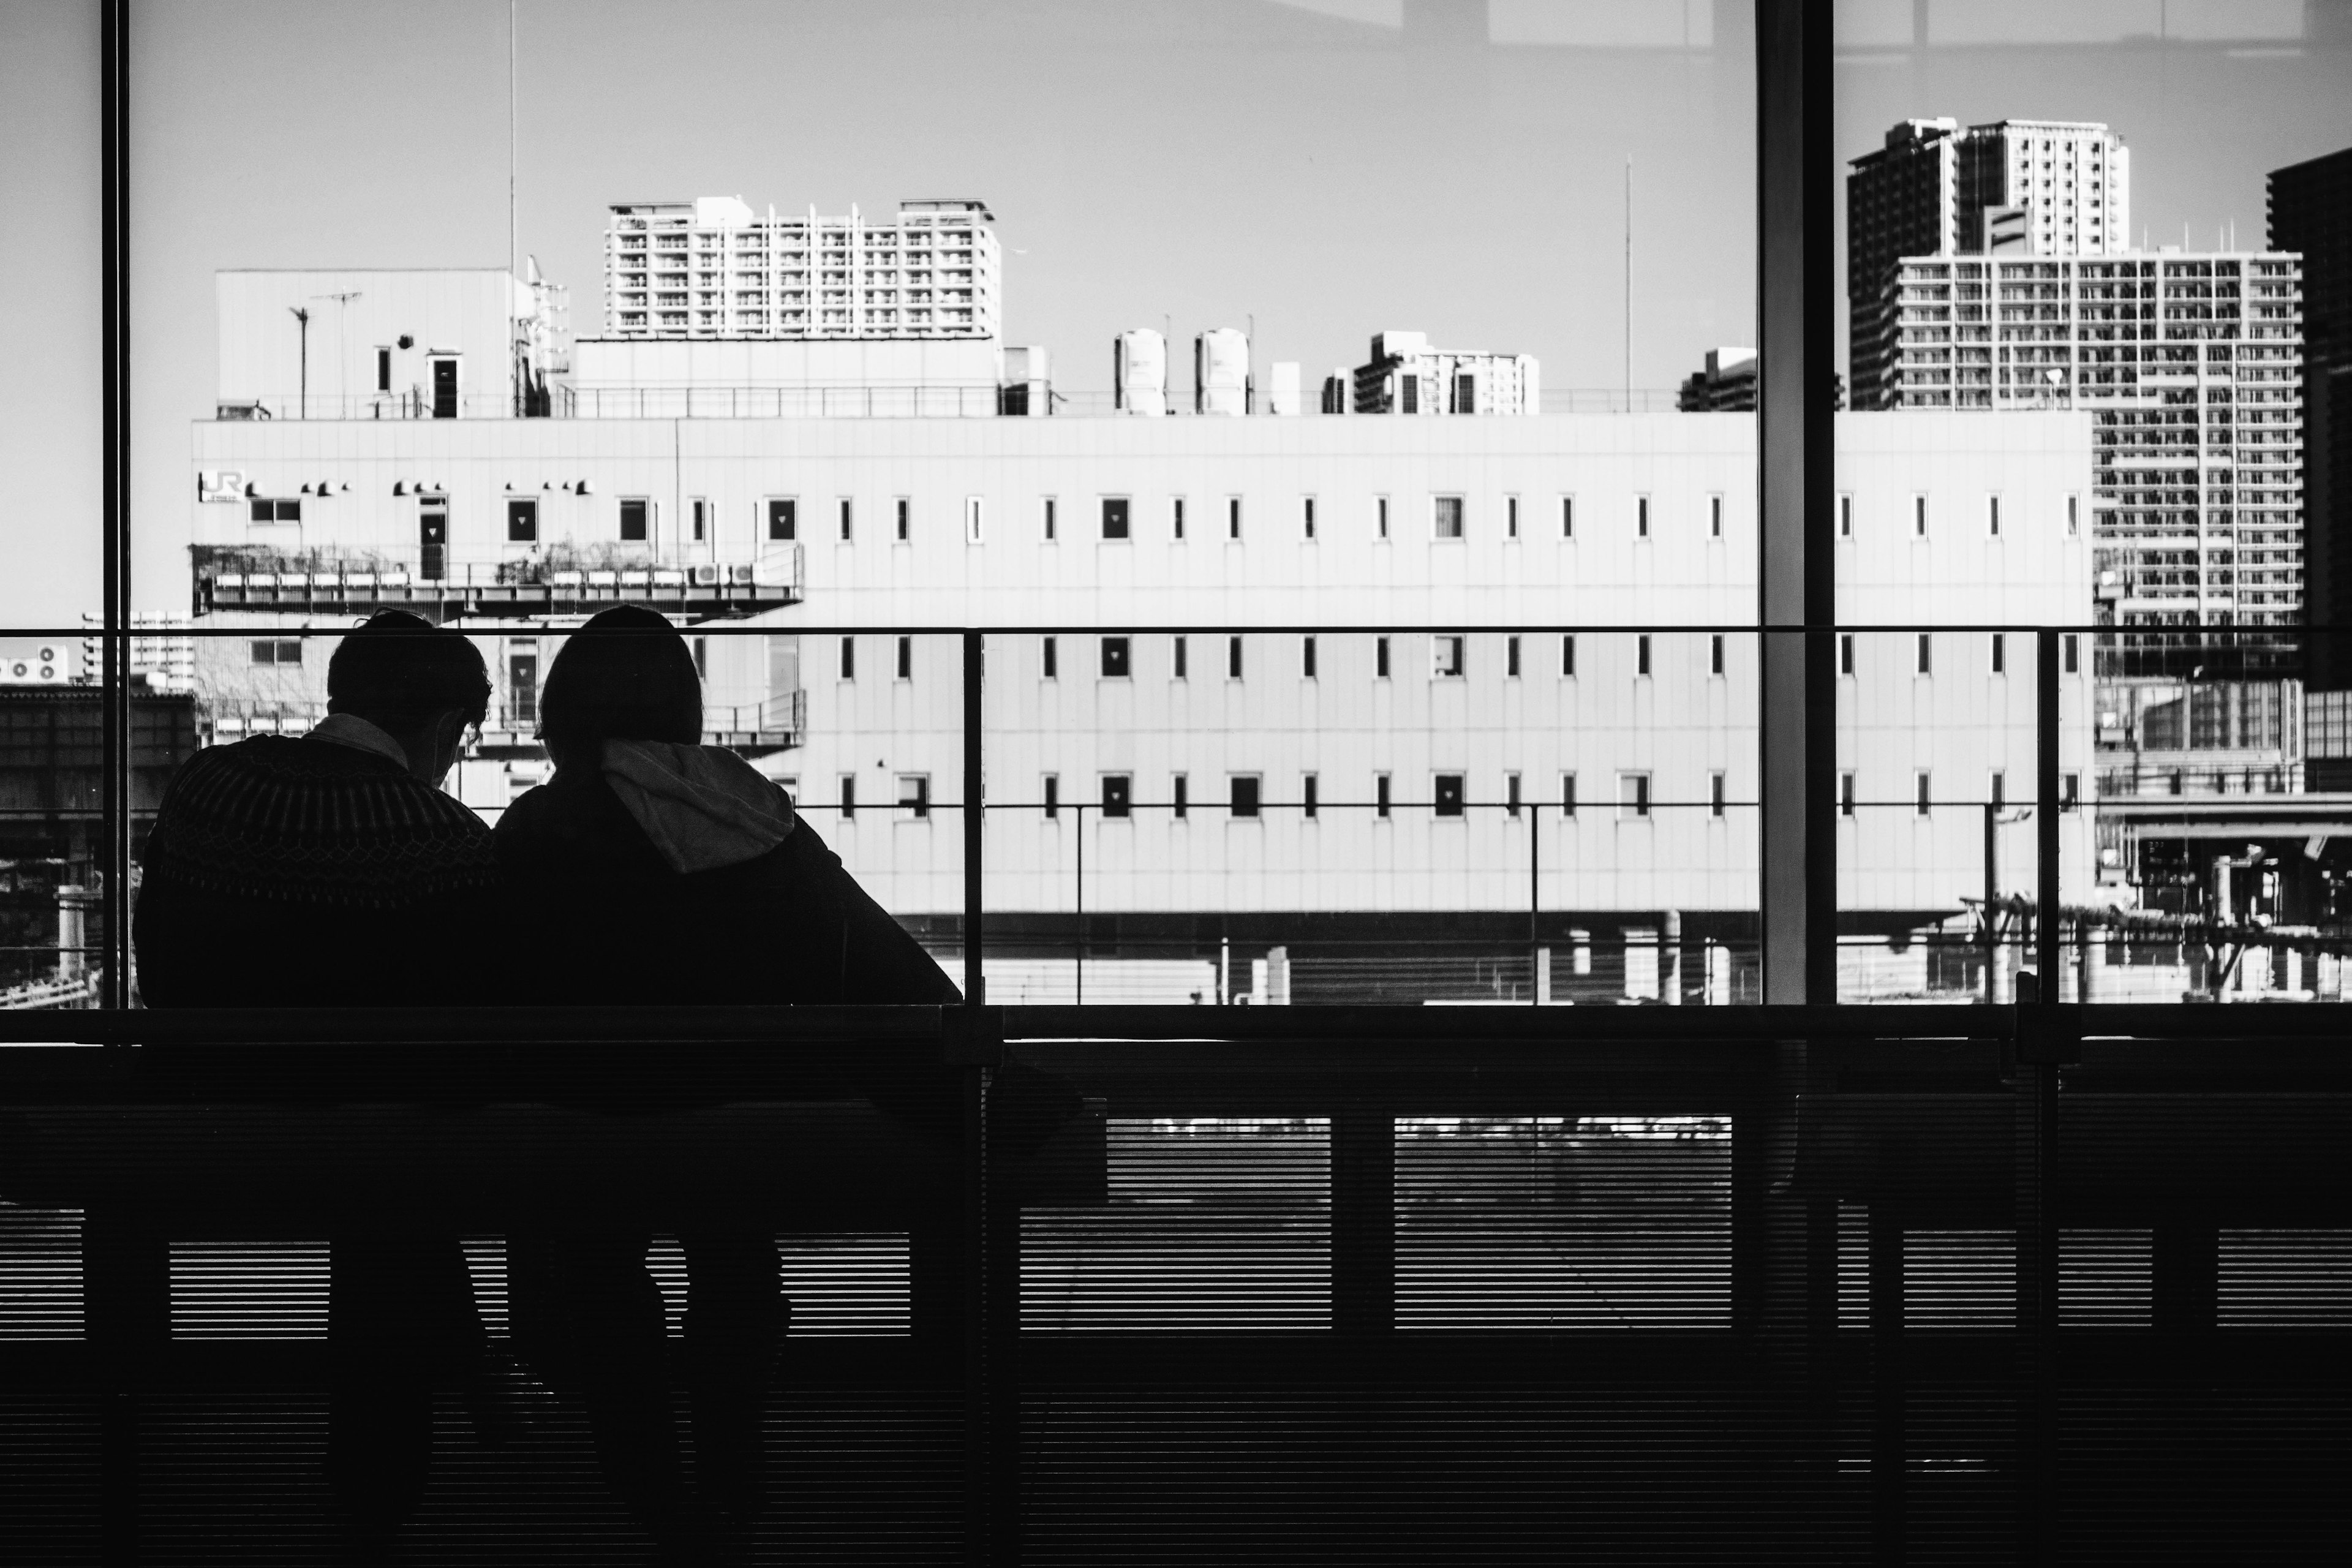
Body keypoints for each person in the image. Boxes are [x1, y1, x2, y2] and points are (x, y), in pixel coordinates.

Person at [494, 605, 961, 1550]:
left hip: (596, 1123)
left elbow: (493, 975)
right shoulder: (755, 813)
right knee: (736, 1263)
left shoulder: (543, 824)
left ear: (565, 717)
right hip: (750, 1114)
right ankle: (735, 1470)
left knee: (601, 1277)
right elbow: (867, 956)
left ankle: (649, 1488)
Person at [134, 609, 508, 1548]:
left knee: (386, 1163)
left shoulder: (208, 783)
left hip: (190, 1113)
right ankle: (387, 1482)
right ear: (442, 729)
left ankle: (480, 1388)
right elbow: (470, 1026)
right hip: (369, 1144)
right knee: (396, 1174)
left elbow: (156, 950)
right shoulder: (442, 835)